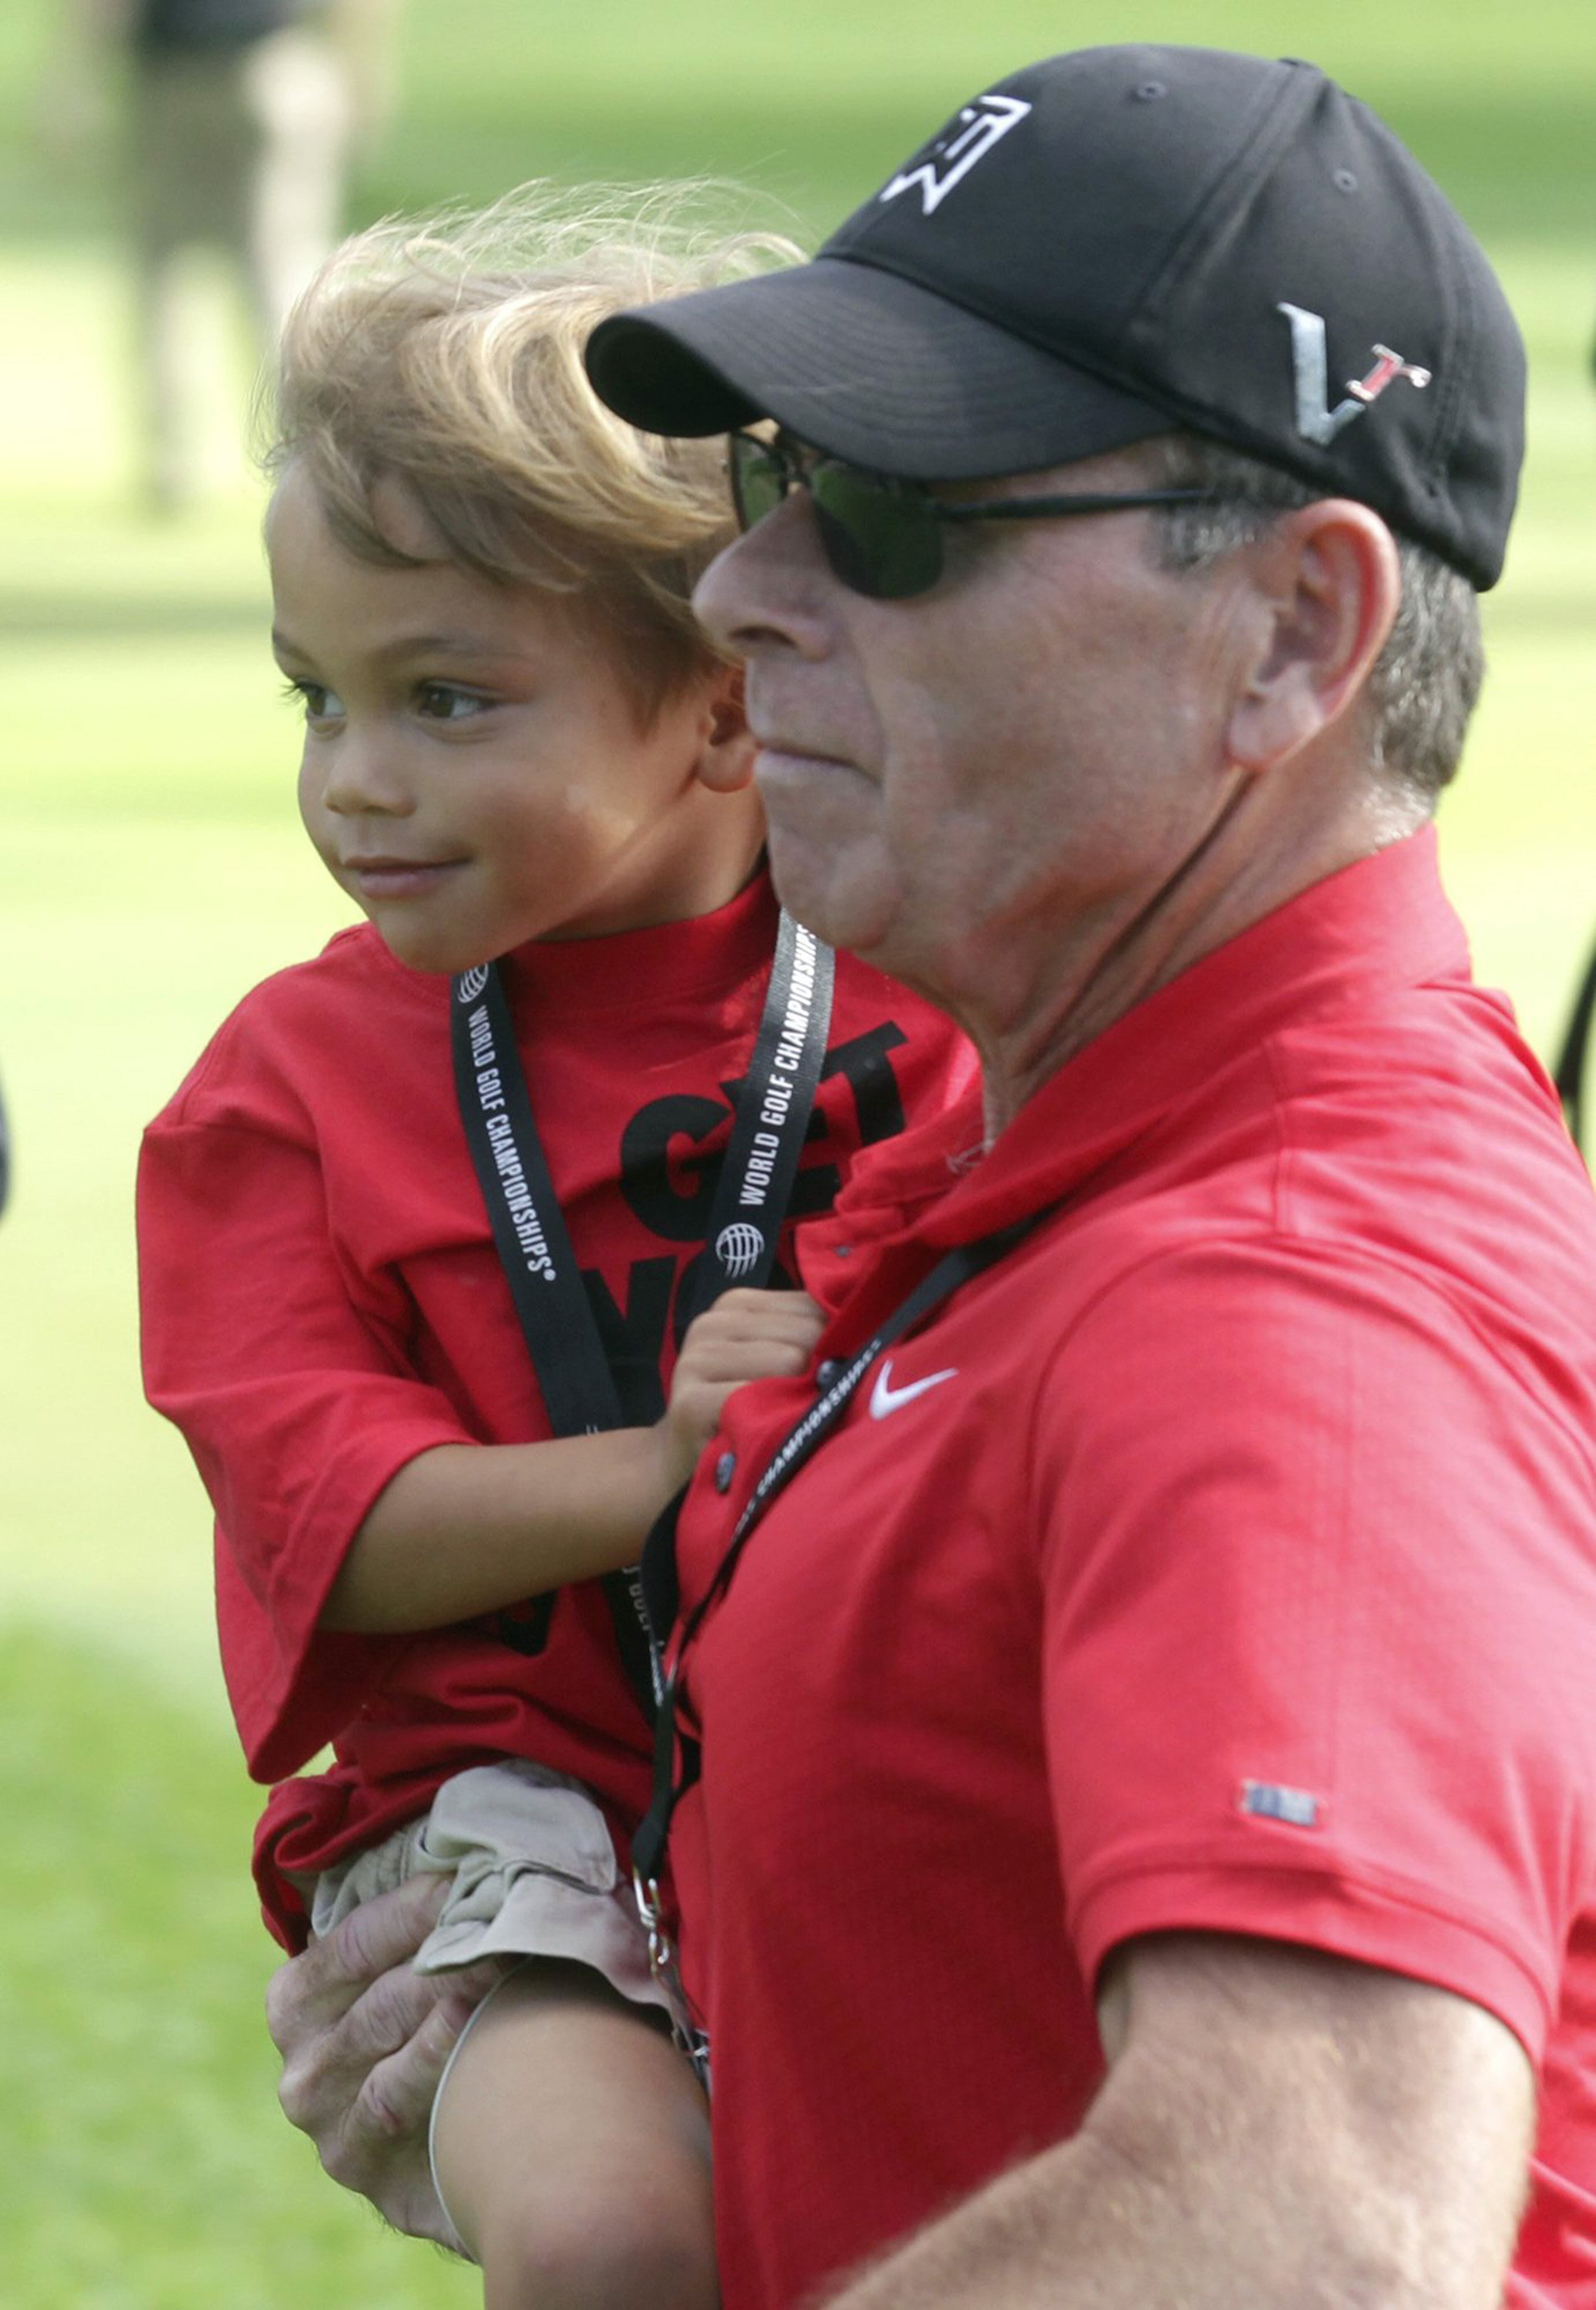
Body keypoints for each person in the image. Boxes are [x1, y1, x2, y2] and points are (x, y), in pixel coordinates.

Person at [264, 45, 1596, 2310]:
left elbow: (1314, 2240)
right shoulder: (1033, 1151)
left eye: (899, 516)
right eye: (777, 470)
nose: (745, 584)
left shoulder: (1287, 1305)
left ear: (1294, 628)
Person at [136, 192, 973, 2305]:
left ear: (716, 705)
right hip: (501, 1812)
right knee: (615, 2241)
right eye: (312, 698)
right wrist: (663, 1462)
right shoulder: (283, 1092)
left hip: (859, 1764)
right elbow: (344, 1521)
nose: (355, 783)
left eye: (444, 699)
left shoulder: (936, 993)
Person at [62, 0, 395, 510]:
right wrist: (362, 73)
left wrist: (78, 73)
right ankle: (304, 454)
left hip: (173, 71)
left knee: (168, 269)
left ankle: (171, 460)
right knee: (280, 269)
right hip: (269, 65)